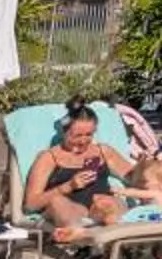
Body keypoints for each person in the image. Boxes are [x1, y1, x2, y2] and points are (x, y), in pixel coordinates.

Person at [25, 102, 134, 238]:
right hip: (70, 210)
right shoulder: (49, 158)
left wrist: (146, 166)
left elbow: (134, 177)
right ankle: (75, 231)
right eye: (77, 135)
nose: (83, 141)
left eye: (89, 135)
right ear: (64, 131)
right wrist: (69, 186)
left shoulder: (103, 151)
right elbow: (31, 204)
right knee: (57, 202)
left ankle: (113, 229)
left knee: (110, 201)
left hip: (98, 209)